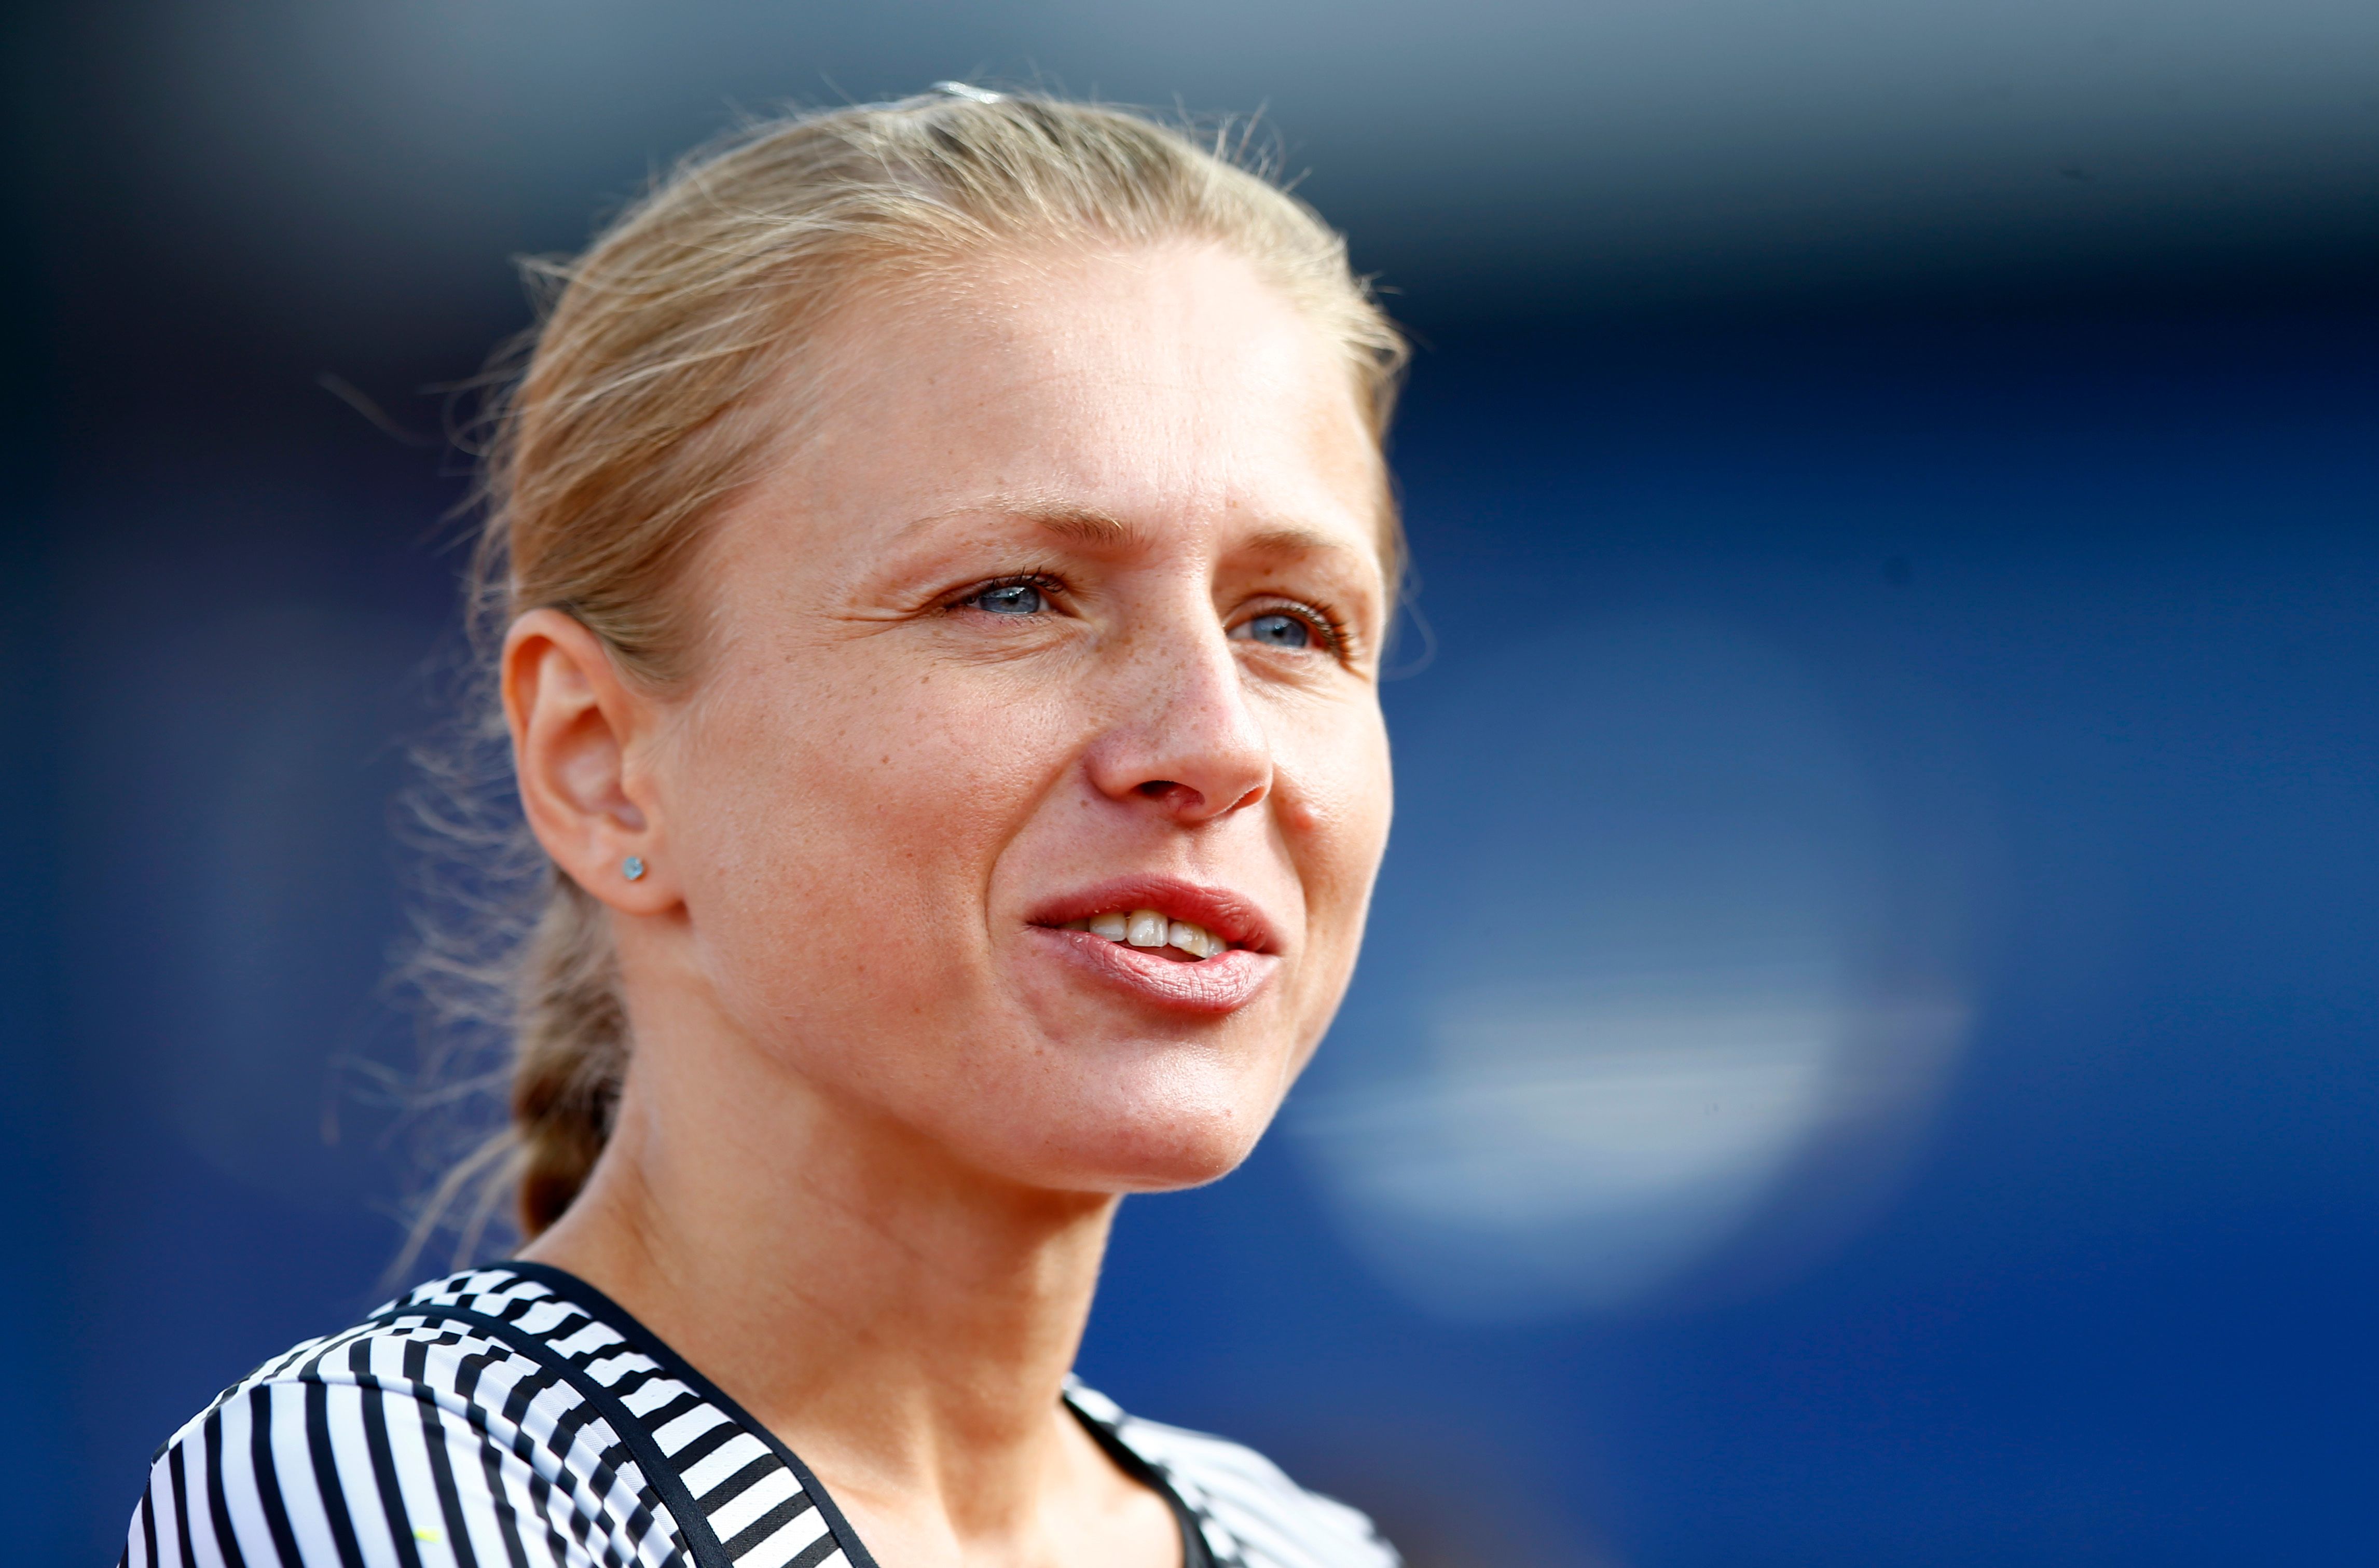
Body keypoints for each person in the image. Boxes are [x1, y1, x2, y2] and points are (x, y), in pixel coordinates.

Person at [122, 86, 1407, 1568]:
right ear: (600, 762)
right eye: (1012, 595)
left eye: (1289, 624)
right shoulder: (384, 1480)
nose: (1217, 744)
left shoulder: (1312, 1549)